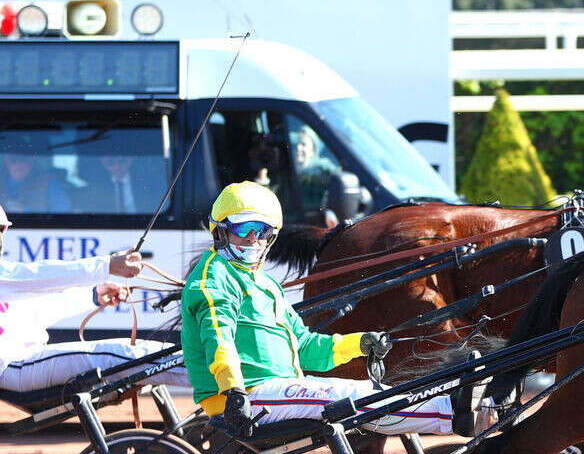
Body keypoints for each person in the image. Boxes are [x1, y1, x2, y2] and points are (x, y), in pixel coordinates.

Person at [181, 181, 477, 438]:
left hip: (278, 389)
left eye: (263, 230)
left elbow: (307, 347)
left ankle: (450, 400)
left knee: (358, 390)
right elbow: (219, 341)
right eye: (244, 228)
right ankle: (451, 412)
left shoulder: (266, 283)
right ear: (220, 230)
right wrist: (234, 391)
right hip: (244, 397)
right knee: (342, 399)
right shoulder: (213, 276)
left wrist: (359, 343)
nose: (253, 239)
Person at [0, 203, 182, 397]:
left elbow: (36, 313)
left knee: (132, 352)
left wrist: (93, 296)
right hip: (13, 365)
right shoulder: (7, 276)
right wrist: (107, 265)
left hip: (22, 362)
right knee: (115, 354)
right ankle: (206, 372)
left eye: (1, 230)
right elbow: (37, 276)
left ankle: (200, 366)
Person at [0, 131, 71, 214]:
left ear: (32, 161)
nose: (19, 164)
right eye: (13, 159)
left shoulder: (48, 183)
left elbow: (63, 213)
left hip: (38, 226)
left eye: (24, 160)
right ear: (6, 161)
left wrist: (25, 211)